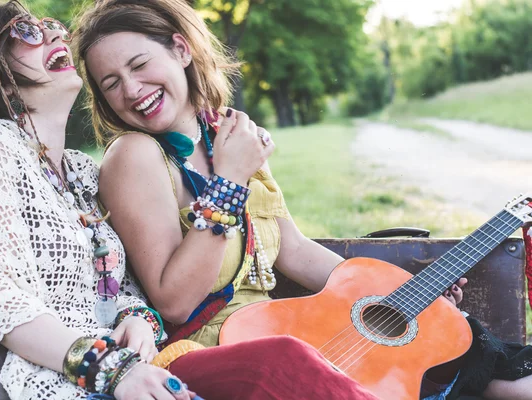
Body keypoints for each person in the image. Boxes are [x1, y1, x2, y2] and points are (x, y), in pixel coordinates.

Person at [75, 0, 532, 399]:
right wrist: (230, 182)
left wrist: (396, 294)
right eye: (111, 83)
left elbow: (289, 248)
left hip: (289, 325)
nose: (131, 91)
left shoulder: (230, 134)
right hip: (224, 352)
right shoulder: (136, 157)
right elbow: (174, 303)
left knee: (474, 353)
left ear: (180, 49)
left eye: (138, 65)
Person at [0, 1, 384, 400]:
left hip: (108, 369)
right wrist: (111, 369)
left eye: (49, 24)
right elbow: (1, 301)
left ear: (182, 50)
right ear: (2, 83)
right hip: (16, 377)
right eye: (25, 33)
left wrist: (137, 321)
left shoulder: (78, 172)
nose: (52, 33)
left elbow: (117, 291)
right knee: (280, 365)